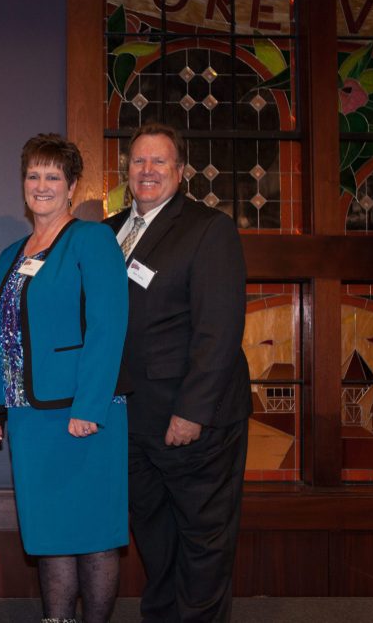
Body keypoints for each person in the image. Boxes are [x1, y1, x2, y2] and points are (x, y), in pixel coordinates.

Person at [103, 122, 251, 622]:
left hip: (192, 420)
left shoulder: (208, 229)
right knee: (154, 533)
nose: (147, 171)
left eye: (159, 161)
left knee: (202, 538)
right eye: (139, 161)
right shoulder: (110, 231)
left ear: (180, 172)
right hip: (131, 417)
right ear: (126, 170)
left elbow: (220, 329)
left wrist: (192, 412)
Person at [0, 134, 129, 623]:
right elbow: (0, 334)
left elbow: (108, 326)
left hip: (80, 412)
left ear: (71, 186)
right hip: (28, 419)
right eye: (33, 175)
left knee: (93, 534)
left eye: (52, 176)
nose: (41, 185)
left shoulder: (93, 240)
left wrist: (89, 407)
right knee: (50, 537)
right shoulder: (9, 255)